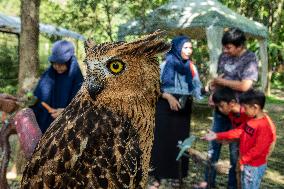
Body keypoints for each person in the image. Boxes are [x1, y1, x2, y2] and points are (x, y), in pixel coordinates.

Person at [198, 27, 259, 189]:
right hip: (220, 111)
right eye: (224, 47)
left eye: (229, 47)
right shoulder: (223, 57)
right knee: (213, 147)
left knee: (235, 153)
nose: (225, 51)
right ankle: (208, 182)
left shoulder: (250, 58)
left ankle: (232, 186)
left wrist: (221, 82)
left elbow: (245, 86)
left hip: (239, 113)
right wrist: (213, 95)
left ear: (240, 46)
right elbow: (219, 80)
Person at [148, 36, 202, 189]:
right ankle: (157, 178)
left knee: (181, 144)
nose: (189, 51)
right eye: (185, 47)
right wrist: (168, 96)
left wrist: (207, 91)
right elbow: (153, 89)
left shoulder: (191, 67)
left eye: (191, 48)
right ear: (177, 48)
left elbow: (197, 89)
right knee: (161, 142)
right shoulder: (165, 65)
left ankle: (177, 176)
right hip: (165, 108)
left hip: (183, 111)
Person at [203, 89, 276, 189]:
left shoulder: (264, 126)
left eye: (245, 108)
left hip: (253, 165)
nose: (244, 111)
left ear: (255, 107)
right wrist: (217, 135)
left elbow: (259, 149)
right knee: (244, 184)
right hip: (246, 162)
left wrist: (242, 160)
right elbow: (238, 131)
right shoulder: (251, 121)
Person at [31, 40, 83, 134]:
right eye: (55, 62)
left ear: (70, 61)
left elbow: (83, 106)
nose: (57, 66)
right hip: (45, 126)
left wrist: (66, 112)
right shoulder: (48, 75)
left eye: (61, 63)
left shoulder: (77, 80)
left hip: (67, 129)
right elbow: (37, 99)